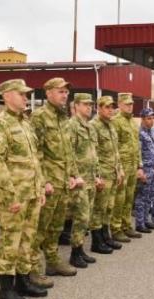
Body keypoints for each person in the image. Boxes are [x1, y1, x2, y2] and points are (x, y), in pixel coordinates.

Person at [0, 79, 47, 299]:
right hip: (14, 196)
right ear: (7, 95)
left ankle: (23, 281)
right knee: (10, 241)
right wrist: (10, 195)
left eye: (26, 94)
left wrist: (40, 187)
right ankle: (5, 290)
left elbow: (35, 160)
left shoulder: (26, 123)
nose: (25, 97)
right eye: (21, 94)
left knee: (27, 240)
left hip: (31, 192)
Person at [29, 77, 78, 283]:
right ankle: (31, 269)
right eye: (60, 91)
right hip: (50, 183)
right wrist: (44, 181)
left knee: (57, 226)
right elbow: (36, 152)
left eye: (66, 92)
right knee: (39, 228)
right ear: (48, 93)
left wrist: (74, 174)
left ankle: (52, 260)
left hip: (63, 181)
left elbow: (69, 150)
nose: (65, 95)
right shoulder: (39, 117)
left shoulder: (63, 117)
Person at [66, 93, 100, 268]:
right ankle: (74, 252)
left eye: (91, 104)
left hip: (90, 178)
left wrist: (97, 175)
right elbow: (69, 153)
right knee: (81, 216)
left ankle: (80, 250)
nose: (89, 107)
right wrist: (74, 175)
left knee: (86, 217)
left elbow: (94, 154)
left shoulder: (89, 126)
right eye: (85, 104)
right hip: (80, 180)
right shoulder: (71, 125)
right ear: (76, 105)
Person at [89, 96, 124, 253]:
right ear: (99, 108)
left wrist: (120, 169)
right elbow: (92, 153)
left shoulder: (110, 126)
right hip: (102, 174)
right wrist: (96, 175)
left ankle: (105, 236)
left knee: (109, 207)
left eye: (112, 107)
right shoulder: (94, 126)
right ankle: (96, 242)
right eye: (107, 107)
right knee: (99, 208)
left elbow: (116, 151)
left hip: (113, 173)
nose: (111, 110)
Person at [111, 92, 146, 242]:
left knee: (129, 198)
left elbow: (137, 146)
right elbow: (113, 147)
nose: (130, 106)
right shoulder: (115, 121)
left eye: (131, 104)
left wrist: (139, 166)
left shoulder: (133, 122)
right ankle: (116, 228)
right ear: (119, 105)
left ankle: (126, 226)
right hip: (122, 166)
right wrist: (117, 168)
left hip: (132, 166)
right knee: (119, 198)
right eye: (127, 104)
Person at [133, 108, 154, 233]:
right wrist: (140, 170)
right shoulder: (139, 133)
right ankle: (139, 223)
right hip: (145, 169)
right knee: (141, 197)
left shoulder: (152, 132)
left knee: (150, 197)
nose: (152, 121)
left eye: (153, 118)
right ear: (143, 119)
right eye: (149, 118)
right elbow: (137, 153)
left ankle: (146, 220)